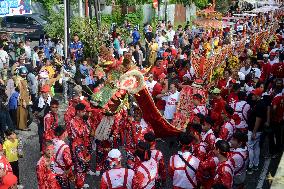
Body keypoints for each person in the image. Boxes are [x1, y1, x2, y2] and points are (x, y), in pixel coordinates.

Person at [67, 103, 93, 189]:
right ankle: (78, 185)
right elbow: (80, 133)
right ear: (78, 112)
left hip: (84, 145)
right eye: (83, 111)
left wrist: (86, 124)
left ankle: (81, 183)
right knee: (79, 166)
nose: (85, 113)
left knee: (84, 165)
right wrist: (85, 124)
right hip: (77, 146)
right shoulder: (72, 122)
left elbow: (89, 132)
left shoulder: (84, 120)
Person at [247, 88, 266, 174]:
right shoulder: (259, 103)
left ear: (258, 96)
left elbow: (258, 119)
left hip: (254, 130)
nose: (252, 95)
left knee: (250, 147)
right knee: (256, 147)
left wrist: (254, 132)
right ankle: (256, 165)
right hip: (258, 130)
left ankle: (250, 167)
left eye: (254, 94)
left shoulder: (259, 105)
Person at [33, 85, 52, 151]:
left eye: (45, 92)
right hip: (40, 121)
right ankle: (42, 149)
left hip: (49, 122)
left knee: (49, 137)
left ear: (48, 92)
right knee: (41, 136)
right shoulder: (38, 100)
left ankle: (49, 150)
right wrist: (36, 115)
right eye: (42, 92)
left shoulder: (51, 100)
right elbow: (34, 109)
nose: (43, 94)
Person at [15, 67, 30, 131]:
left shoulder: (22, 79)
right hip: (22, 99)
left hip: (25, 98)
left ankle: (22, 126)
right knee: (22, 113)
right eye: (23, 74)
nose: (25, 75)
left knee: (24, 112)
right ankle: (22, 127)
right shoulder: (19, 80)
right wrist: (23, 101)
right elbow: (21, 91)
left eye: (25, 73)